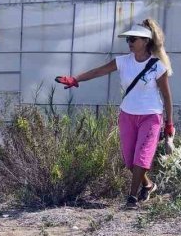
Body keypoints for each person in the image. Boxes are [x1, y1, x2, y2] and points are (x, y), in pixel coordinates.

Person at [55, 18, 174, 209]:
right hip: (127, 114)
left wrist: (168, 125)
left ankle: (131, 199)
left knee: (141, 159)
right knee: (129, 161)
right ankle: (148, 185)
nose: (129, 43)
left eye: (133, 39)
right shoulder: (122, 62)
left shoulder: (157, 66)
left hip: (151, 116)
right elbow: (98, 71)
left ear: (145, 41)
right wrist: (75, 79)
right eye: (128, 40)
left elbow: (167, 97)